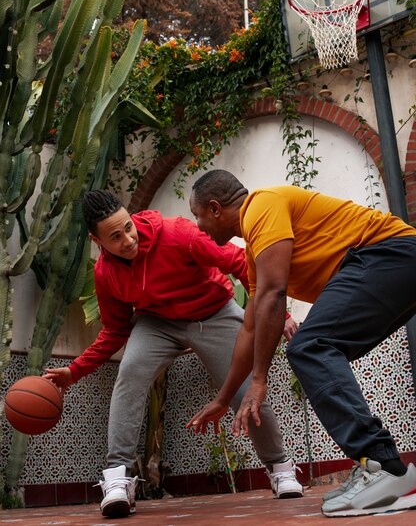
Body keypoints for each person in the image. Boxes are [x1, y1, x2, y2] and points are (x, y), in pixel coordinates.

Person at [45, 189, 303, 519]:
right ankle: (117, 478)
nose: (127, 239)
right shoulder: (106, 274)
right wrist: (74, 371)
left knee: (244, 392)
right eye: (115, 236)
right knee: (130, 372)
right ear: (98, 242)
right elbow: (115, 331)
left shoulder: (178, 233)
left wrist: (278, 314)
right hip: (158, 322)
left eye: (128, 227)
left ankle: (280, 468)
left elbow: (239, 263)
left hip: (214, 312)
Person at [187, 169, 416, 518]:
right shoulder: (254, 253)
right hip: (389, 264)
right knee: (318, 345)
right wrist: (223, 399)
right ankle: (382, 468)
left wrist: (261, 379)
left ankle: (383, 467)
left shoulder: (262, 205)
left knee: (311, 345)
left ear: (216, 208)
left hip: (389, 254)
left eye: (198, 216)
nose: (199, 226)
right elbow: (250, 329)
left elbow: (274, 294)